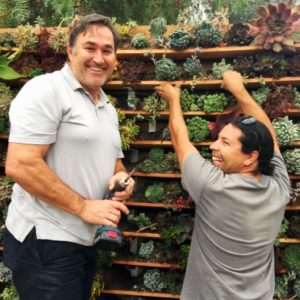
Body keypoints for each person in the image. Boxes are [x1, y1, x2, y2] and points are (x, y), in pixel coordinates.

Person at [3, 14, 135, 300]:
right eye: (90, 47)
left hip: (84, 239)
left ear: (115, 57)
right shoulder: (46, 91)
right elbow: (21, 164)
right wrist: (83, 206)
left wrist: (121, 177)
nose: (99, 58)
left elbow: (114, 163)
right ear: (70, 50)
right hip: (47, 242)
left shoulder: (106, 107)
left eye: (107, 50)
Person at [155, 70, 290, 300]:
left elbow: (180, 141)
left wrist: (174, 100)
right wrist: (239, 90)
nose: (213, 146)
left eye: (224, 142)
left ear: (250, 157)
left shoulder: (212, 186)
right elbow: (270, 137)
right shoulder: (280, 187)